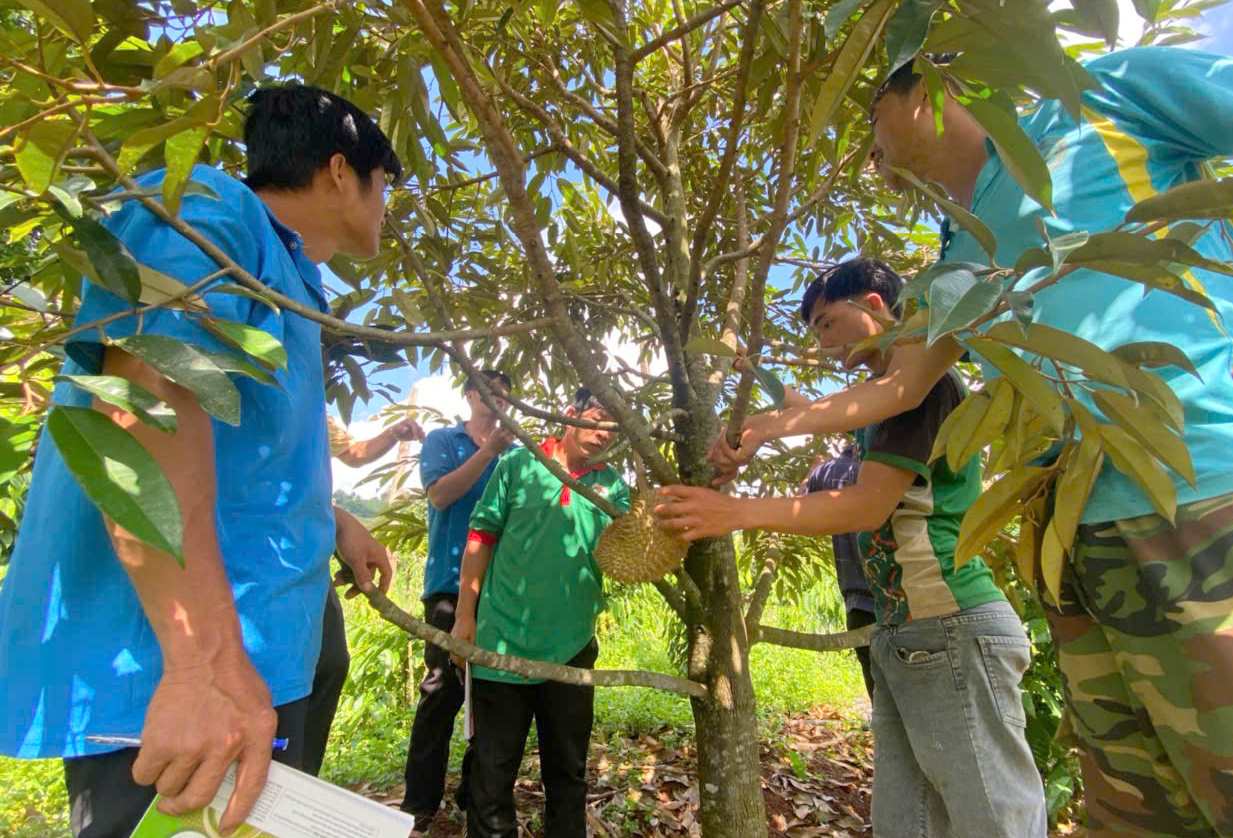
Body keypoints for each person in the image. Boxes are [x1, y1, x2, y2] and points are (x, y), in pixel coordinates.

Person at [709, 46, 1233, 837]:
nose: (871, 153)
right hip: (1072, 541)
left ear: (926, 83)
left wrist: (740, 505)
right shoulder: (954, 265)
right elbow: (895, 387)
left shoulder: (1100, 98)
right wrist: (763, 424)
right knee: (1133, 808)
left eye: (871, 114)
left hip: (1200, 494)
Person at [0, 84, 401, 837]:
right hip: (181, 675)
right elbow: (143, 414)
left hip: (263, 655)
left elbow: (236, 443)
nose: (386, 207)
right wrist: (196, 666)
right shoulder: (207, 209)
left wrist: (331, 518)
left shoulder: (289, 277)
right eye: (387, 185)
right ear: (342, 170)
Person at [658, 258, 1047, 837]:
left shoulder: (923, 389)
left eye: (826, 323)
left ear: (871, 303)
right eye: (813, 331)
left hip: (949, 623)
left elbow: (866, 506)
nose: (821, 342)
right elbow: (815, 409)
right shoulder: (880, 401)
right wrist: (755, 380)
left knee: (993, 820)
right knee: (909, 822)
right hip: (905, 631)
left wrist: (733, 512)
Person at [454, 388, 630, 838]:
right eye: (597, 417)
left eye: (614, 426)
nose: (604, 433)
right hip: (501, 644)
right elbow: (482, 537)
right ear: (569, 414)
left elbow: (630, 554)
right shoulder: (519, 464)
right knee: (492, 771)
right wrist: (464, 616)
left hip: (571, 648)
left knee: (567, 771)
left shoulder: (613, 486)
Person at [399, 370, 514, 828]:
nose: (498, 398)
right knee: (441, 692)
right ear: (469, 395)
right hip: (450, 584)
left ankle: (474, 796)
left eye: (505, 393)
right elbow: (441, 495)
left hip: (501, 589)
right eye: (489, 390)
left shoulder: (515, 457)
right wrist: (488, 450)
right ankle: (419, 804)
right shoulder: (444, 442)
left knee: (491, 698)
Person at [302, 413, 425, 779]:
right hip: (247, 555)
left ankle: (296, 779)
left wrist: (392, 435)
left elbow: (354, 452)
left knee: (329, 664)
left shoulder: (312, 403)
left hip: (305, 553)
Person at [803, 447, 877, 700]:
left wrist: (814, 470)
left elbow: (802, 509)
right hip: (900, 597)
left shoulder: (826, 471)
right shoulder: (884, 471)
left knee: (878, 691)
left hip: (859, 603)